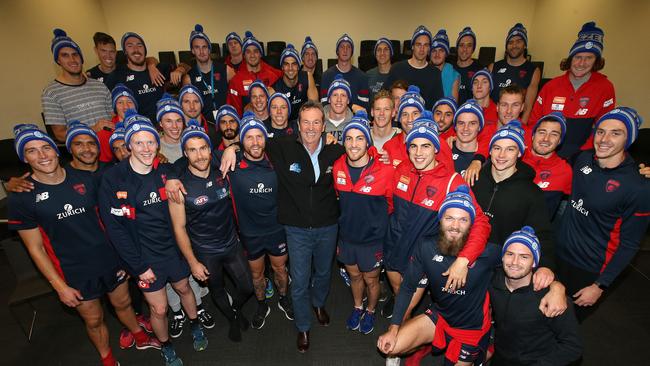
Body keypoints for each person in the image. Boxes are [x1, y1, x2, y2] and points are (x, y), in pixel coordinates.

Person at [9, 125, 159, 366]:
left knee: (123, 304)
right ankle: (107, 359)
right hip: (74, 272)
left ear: (57, 151)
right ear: (24, 157)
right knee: (94, 320)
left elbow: (119, 195)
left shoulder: (87, 179)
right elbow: (35, 249)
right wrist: (59, 287)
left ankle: (140, 336)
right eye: (32, 151)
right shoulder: (22, 197)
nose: (43, 155)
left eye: (46, 147)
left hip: (110, 260)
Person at [98, 113, 207, 366]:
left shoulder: (164, 171)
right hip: (144, 258)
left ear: (157, 144)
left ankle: (195, 324)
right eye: (138, 143)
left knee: (183, 288)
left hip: (173, 251)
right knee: (159, 309)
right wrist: (138, 267)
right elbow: (115, 230)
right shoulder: (113, 180)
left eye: (150, 143)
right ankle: (167, 346)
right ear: (129, 146)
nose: (146, 149)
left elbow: (182, 165)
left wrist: (171, 176)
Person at [383, 114, 490, 319]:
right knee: (399, 293)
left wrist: (463, 260)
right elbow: (391, 205)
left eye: (426, 146)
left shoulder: (452, 182)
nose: (419, 152)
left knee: (405, 307)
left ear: (436, 148)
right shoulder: (402, 169)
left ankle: (398, 344)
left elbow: (481, 223)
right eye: (413, 146)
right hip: (393, 248)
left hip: (420, 257)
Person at [379, 186, 497, 366]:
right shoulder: (426, 246)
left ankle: (486, 350)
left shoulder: (488, 252)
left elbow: (521, 265)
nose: (455, 226)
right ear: (440, 219)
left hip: (471, 328)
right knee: (392, 347)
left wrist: (555, 286)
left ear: (472, 224)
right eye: (449, 218)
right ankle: (427, 344)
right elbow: (408, 287)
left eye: (463, 220)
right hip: (440, 316)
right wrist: (393, 328)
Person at [556, 107, 650, 321]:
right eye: (600, 131)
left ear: (629, 139)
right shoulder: (583, 160)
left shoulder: (639, 186)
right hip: (558, 256)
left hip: (588, 270)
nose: (604, 139)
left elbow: (630, 244)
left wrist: (600, 285)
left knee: (563, 327)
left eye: (616, 133)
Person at [168, 120, 253, 341]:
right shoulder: (179, 185)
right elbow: (178, 227)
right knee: (217, 289)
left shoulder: (221, 167)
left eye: (203, 148)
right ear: (185, 153)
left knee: (247, 286)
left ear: (210, 148)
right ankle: (232, 317)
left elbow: (247, 146)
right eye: (192, 150)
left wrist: (232, 148)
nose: (199, 155)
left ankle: (236, 308)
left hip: (231, 243)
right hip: (205, 251)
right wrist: (192, 262)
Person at [226, 114, 293, 329]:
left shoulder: (277, 162)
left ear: (266, 139)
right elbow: (190, 160)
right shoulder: (231, 165)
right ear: (241, 140)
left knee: (280, 270)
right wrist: (230, 147)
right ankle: (262, 304)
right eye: (249, 137)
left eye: (259, 137)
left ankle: (283, 298)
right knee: (257, 275)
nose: (255, 142)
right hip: (250, 234)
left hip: (277, 230)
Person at [333, 111, 395, 334]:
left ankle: (370, 310)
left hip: (373, 242)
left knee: (371, 280)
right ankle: (358, 306)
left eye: (359, 138)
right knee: (354, 276)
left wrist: (376, 224)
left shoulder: (386, 171)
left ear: (367, 141)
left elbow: (391, 205)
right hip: (347, 238)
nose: (353, 143)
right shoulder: (338, 167)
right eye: (349, 138)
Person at [489, 227, 582, 365]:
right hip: (499, 358)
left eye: (524, 257)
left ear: (534, 262)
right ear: (502, 256)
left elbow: (573, 346)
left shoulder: (550, 298)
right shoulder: (493, 280)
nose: (514, 262)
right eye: (510, 254)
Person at [529, 22, 615, 160]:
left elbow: (605, 127)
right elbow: (534, 122)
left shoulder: (605, 87)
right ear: (570, 58)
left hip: (582, 155)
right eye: (578, 57)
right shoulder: (551, 86)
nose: (582, 63)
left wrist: (585, 154)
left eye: (589, 58)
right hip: (546, 154)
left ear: (596, 61)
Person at [42, 29, 113, 143]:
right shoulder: (51, 93)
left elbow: (112, 116)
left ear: (81, 57)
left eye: (75, 54)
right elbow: (60, 134)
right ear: (58, 60)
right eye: (65, 55)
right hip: (86, 155)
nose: (72, 60)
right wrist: (92, 130)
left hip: (113, 150)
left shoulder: (99, 85)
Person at [118, 31, 187, 121]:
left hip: (164, 125)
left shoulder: (159, 68)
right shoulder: (118, 75)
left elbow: (187, 66)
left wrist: (179, 70)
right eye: (130, 46)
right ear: (125, 52)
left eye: (140, 45)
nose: (136, 49)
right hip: (140, 128)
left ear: (145, 50)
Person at [522, 113, 573, 218]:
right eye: (542, 132)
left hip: (538, 232)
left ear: (559, 141)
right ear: (532, 135)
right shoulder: (515, 158)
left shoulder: (565, 171)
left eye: (554, 134)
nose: (546, 139)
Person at [489, 23, 540, 124]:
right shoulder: (493, 67)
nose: (514, 45)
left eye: (518, 41)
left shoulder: (533, 70)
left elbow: (528, 107)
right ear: (506, 46)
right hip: (491, 121)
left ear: (524, 45)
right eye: (510, 42)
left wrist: (520, 129)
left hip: (514, 123)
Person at [182, 24, 233, 122]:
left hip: (226, 123)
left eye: (204, 47)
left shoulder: (226, 70)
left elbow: (237, 96)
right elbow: (187, 110)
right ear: (192, 51)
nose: (201, 51)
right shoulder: (189, 78)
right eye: (197, 47)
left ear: (209, 49)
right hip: (205, 126)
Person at [384, 25, 443, 110]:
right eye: (418, 44)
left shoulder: (435, 73)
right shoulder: (397, 68)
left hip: (424, 121)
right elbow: (385, 97)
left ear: (429, 48)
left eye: (425, 45)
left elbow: (437, 105)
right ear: (412, 46)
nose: (422, 49)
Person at [227, 31, 282, 115]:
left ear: (260, 54)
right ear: (244, 55)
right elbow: (234, 113)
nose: (252, 55)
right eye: (248, 52)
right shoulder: (236, 81)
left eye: (255, 51)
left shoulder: (273, 76)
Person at [320, 34, 369, 111]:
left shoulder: (362, 77)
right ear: (337, 51)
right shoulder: (326, 76)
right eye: (342, 47)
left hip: (355, 120)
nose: (345, 50)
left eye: (348, 47)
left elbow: (364, 107)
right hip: (332, 120)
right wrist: (351, 106)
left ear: (352, 52)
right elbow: (325, 106)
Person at [272, 44, 318, 121]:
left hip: (304, 122)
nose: (290, 68)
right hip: (284, 125)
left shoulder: (307, 77)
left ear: (298, 66)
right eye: (286, 64)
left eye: (294, 64)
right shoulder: (274, 90)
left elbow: (314, 108)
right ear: (282, 67)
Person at [454, 27, 482, 104]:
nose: (465, 49)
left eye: (469, 45)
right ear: (457, 47)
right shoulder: (450, 68)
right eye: (461, 45)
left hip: (472, 114)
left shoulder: (480, 70)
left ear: (473, 48)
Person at [430, 29, 460, 101]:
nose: (437, 54)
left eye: (441, 51)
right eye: (434, 51)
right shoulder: (423, 71)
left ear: (446, 54)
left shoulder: (454, 75)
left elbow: (453, 105)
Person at [324, 74, 354, 143]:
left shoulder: (355, 123)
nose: (339, 99)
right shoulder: (317, 122)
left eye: (343, 95)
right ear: (329, 99)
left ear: (348, 100)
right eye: (335, 95)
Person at [366, 38, 393, 102]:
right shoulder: (367, 75)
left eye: (386, 49)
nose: (382, 53)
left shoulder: (398, 74)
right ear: (375, 54)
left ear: (391, 53)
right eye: (379, 50)